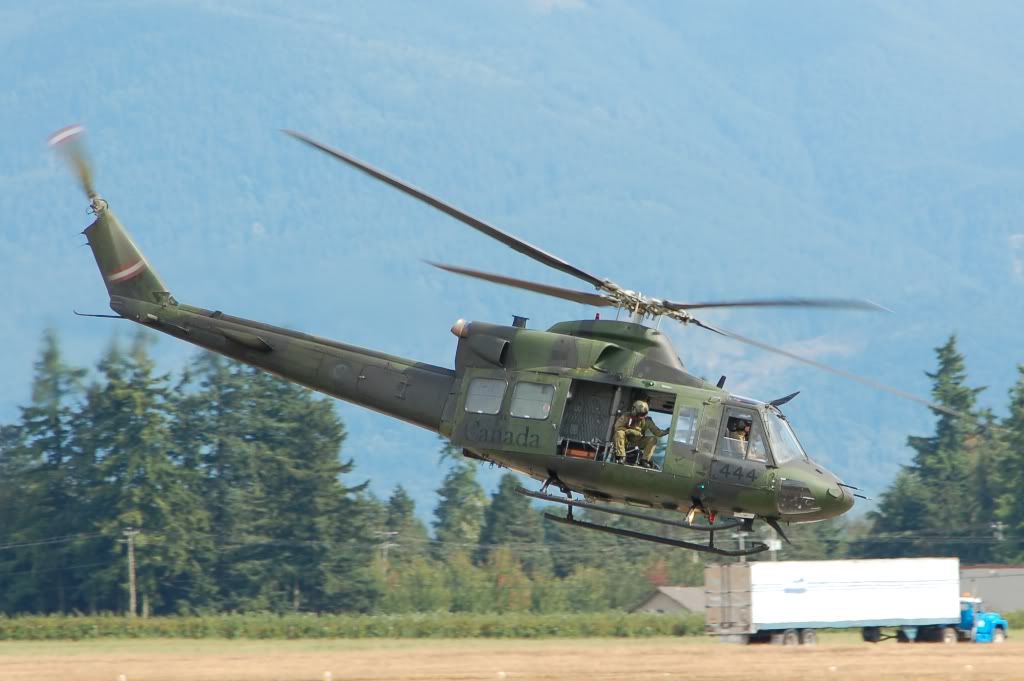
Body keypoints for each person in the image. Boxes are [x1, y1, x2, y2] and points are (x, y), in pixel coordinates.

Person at [613, 400, 669, 468]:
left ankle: (644, 460)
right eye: (640, 414)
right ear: (634, 410)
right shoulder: (626, 416)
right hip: (626, 441)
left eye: (643, 414)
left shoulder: (647, 421)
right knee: (619, 433)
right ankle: (621, 456)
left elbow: (658, 433)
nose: (641, 416)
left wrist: (667, 431)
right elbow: (617, 427)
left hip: (638, 442)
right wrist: (630, 431)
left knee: (653, 439)